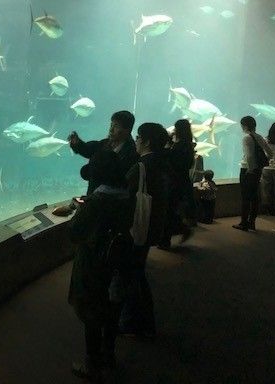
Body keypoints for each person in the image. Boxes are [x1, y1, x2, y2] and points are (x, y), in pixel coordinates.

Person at [68, 149, 132, 381]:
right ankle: (108, 355)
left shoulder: (96, 201)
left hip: (94, 264)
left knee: (92, 312)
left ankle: (92, 364)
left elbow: (75, 232)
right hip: (118, 262)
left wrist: (79, 210)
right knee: (112, 309)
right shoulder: (126, 196)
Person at [119, 123, 170, 338]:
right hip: (152, 225)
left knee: (132, 274)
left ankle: (135, 323)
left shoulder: (141, 166)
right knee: (138, 271)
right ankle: (145, 322)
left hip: (137, 227)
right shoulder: (162, 163)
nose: (136, 140)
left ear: (147, 141)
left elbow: (126, 196)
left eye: (139, 137)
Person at [68, 110, 139, 195]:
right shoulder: (105, 143)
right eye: (111, 125)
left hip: (111, 199)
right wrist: (78, 144)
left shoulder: (131, 152)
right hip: (94, 196)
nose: (111, 129)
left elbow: (121, 179)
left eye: (116, 126)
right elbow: (89, 150)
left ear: (127, 130)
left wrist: (92, 171)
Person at [159, 119, 195, 249]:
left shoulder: (179, 146)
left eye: (175, 128)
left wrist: (168, 144)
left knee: (169, 210)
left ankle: (166, 240)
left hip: (174, 182)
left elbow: (170, 159)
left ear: (178, 130)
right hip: (182, 181)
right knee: (172, 210)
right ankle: (181, 230)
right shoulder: (188, 145)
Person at [233, 116, 272, 232]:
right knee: (254, 196)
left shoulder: (246, 138)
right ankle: (252, 223)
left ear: (245, 126)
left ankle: (243, 223)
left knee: (246, 197)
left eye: (242, 125)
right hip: (258, 170)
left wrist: (250, 169)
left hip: (247, 170)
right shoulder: (259, 137)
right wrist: (261, 163)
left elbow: (249, 155)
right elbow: (270, 153)